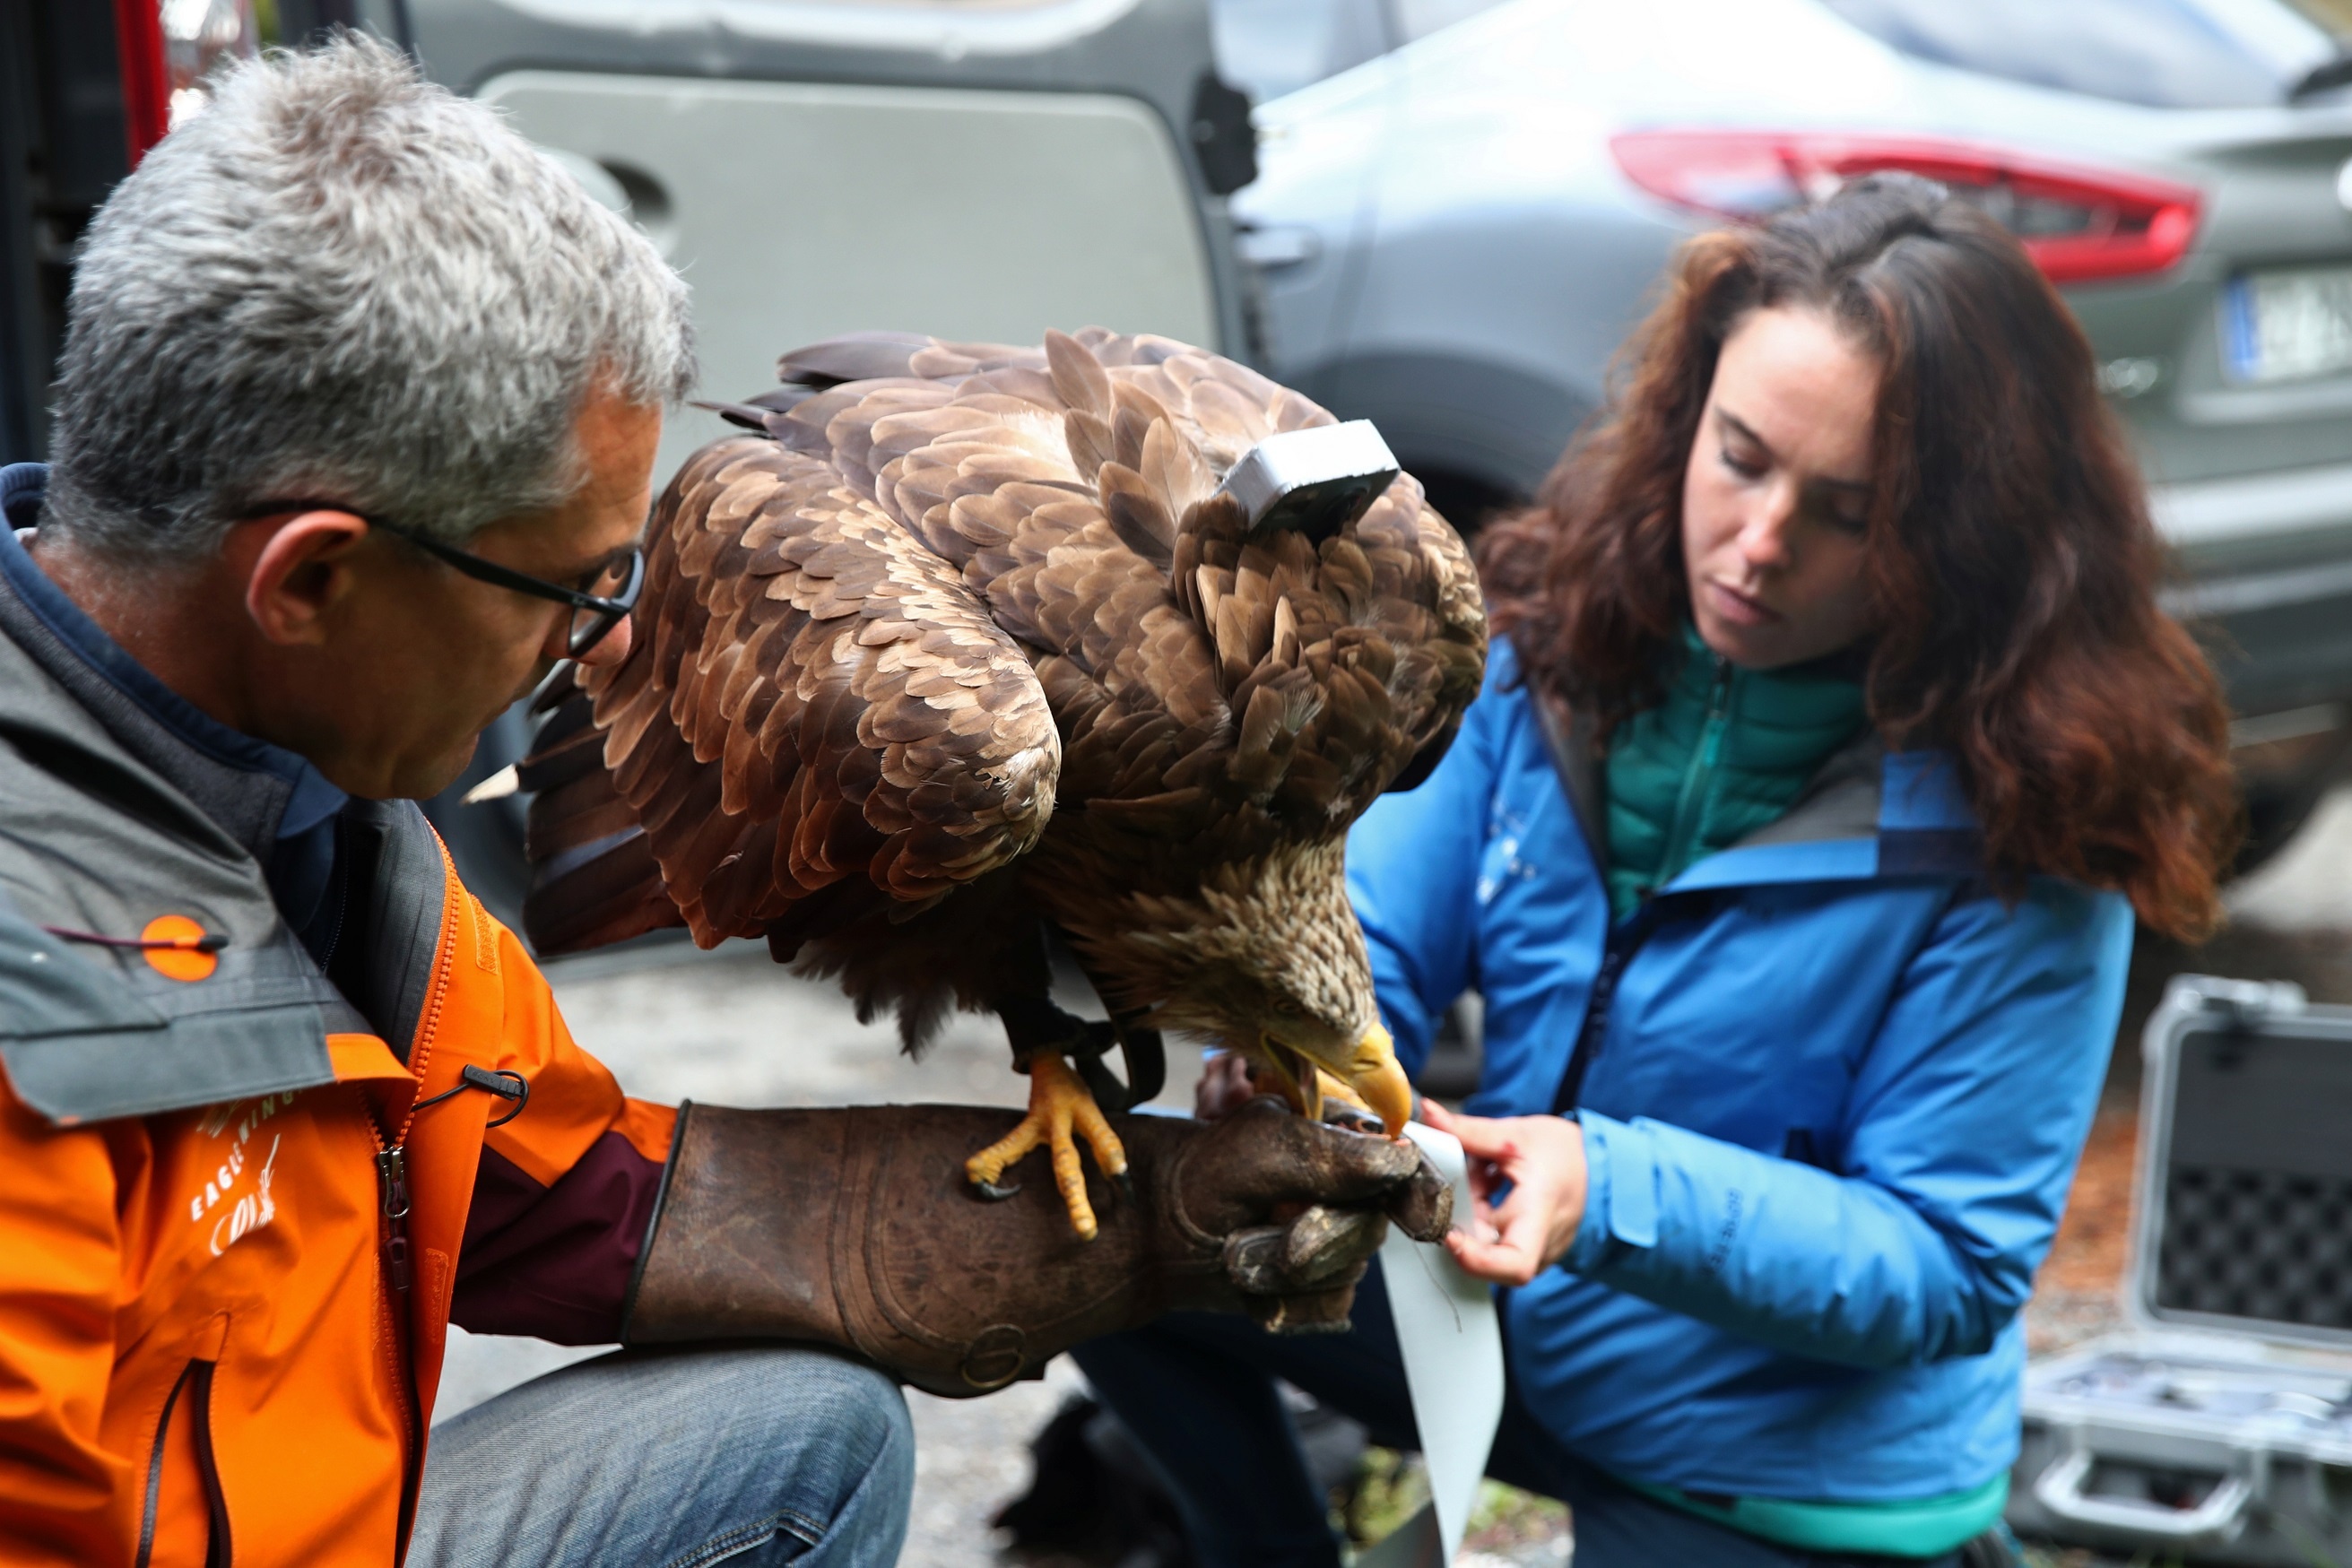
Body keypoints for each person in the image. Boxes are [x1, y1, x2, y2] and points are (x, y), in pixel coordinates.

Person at [0, 37, 1439, 1568]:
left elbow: (569, 1196)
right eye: (576, 582)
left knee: (802, 1434)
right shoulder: (40, 1019)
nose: (622, 639)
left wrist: (1158, 1228)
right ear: (316, 577)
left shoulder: (301, 807)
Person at [1076, 175, 2240, 1566]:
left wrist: (1606, 1187)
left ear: (1963, 538)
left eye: (1848, 512)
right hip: (1521, 1300)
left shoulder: (2040, 819)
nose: (1756, 544)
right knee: (1105, 1229)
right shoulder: (1553, 639)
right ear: (1690, 416)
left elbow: (1946, 1265)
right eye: (1742, 456)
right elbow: (1372, 932)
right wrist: (1301, 1049)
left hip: (1778, 1458)